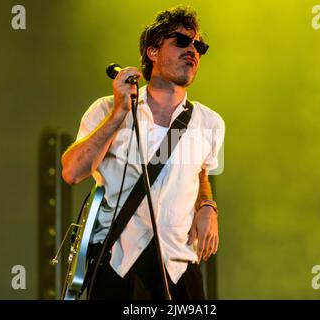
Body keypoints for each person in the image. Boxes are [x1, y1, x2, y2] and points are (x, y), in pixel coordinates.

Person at [61, 5, 225, 300]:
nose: (193, 50)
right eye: (181, 41)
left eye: (198, 45)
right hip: (119, 263)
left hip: (179, 268)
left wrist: (208, 206)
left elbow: (199, 172)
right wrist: (118, 114)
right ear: (152, 51)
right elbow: (72, 172)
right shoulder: (107, 109)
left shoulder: (209, 122)